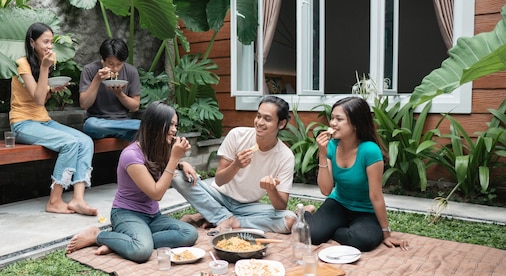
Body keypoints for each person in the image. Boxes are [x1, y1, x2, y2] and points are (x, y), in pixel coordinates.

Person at [65, 101, 199, 262]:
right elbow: (156, 193)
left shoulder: (160, 149)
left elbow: (165, 167)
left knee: (189, 234)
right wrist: (175, 158)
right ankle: (98, 235)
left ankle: (124, 241)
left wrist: (182, 163)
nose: (174, 130)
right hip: (126, 213)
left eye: (175, 125)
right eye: (170, 125)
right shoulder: (131, 155)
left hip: (153, 216)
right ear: (154, 125)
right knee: (142, 251)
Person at [172, 95, 297, 233]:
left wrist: (271, 189)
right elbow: (219, 180)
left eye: (267, 119)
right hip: (218, 196)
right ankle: (221, 216)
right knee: (176, 176)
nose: (259, 122)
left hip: (248, 207)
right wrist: (236, 165)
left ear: (281, 124)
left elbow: (281, 206)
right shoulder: (237, 135)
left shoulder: (285, 156)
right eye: (258, 116)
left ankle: (223, 218)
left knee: (290, 220)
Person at [10, 22, 97, 216]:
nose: (50, 46)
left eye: (52, 42)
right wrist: (44, 69)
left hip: (42, 121)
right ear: (32, 42)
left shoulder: (45, 61)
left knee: (85, 141)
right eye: (45, 42)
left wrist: (51, 89)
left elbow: (42, 96)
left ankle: (78, 199)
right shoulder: (22, 64)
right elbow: (38, 98)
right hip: (22, 123)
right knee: (70, 143)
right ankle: (55, 200)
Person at [305, 96, 409, 251]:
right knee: (312, 235)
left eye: (339, 119)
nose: (333, 123)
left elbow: (376, 195)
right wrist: (322, 154)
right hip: (338, 203)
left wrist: (386, 234)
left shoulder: (369, 151)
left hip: (365, 210)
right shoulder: (331, 146)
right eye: (332, 118)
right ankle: (306, 212)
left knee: (363, 241)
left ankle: (336, 229)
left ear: (355, 124)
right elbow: (326, 190)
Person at [79, 38, 141, 141]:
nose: (115, 68)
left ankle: (115, 129)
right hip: (98, 123)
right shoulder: (89, 70)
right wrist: (97, 79)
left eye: (119, 64)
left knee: (144, 125)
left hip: (123, 122)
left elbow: (135, 107)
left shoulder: (131, 71)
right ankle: (117, 130)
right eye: (110, 63)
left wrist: (120, 94)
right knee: (91, 125)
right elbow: (84, 104)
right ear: (102, 60)